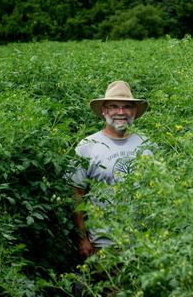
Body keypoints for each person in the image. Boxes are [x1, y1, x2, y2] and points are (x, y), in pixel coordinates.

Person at [68, 80, 153, 258]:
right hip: (104, 244)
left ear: (134, 112)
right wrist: (82, 239)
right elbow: (76, 194)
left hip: (144, 242)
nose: (120, 112)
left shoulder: (147, 144)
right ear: (104, 111)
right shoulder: (88, 146)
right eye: (114, 106)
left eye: (126, 107)